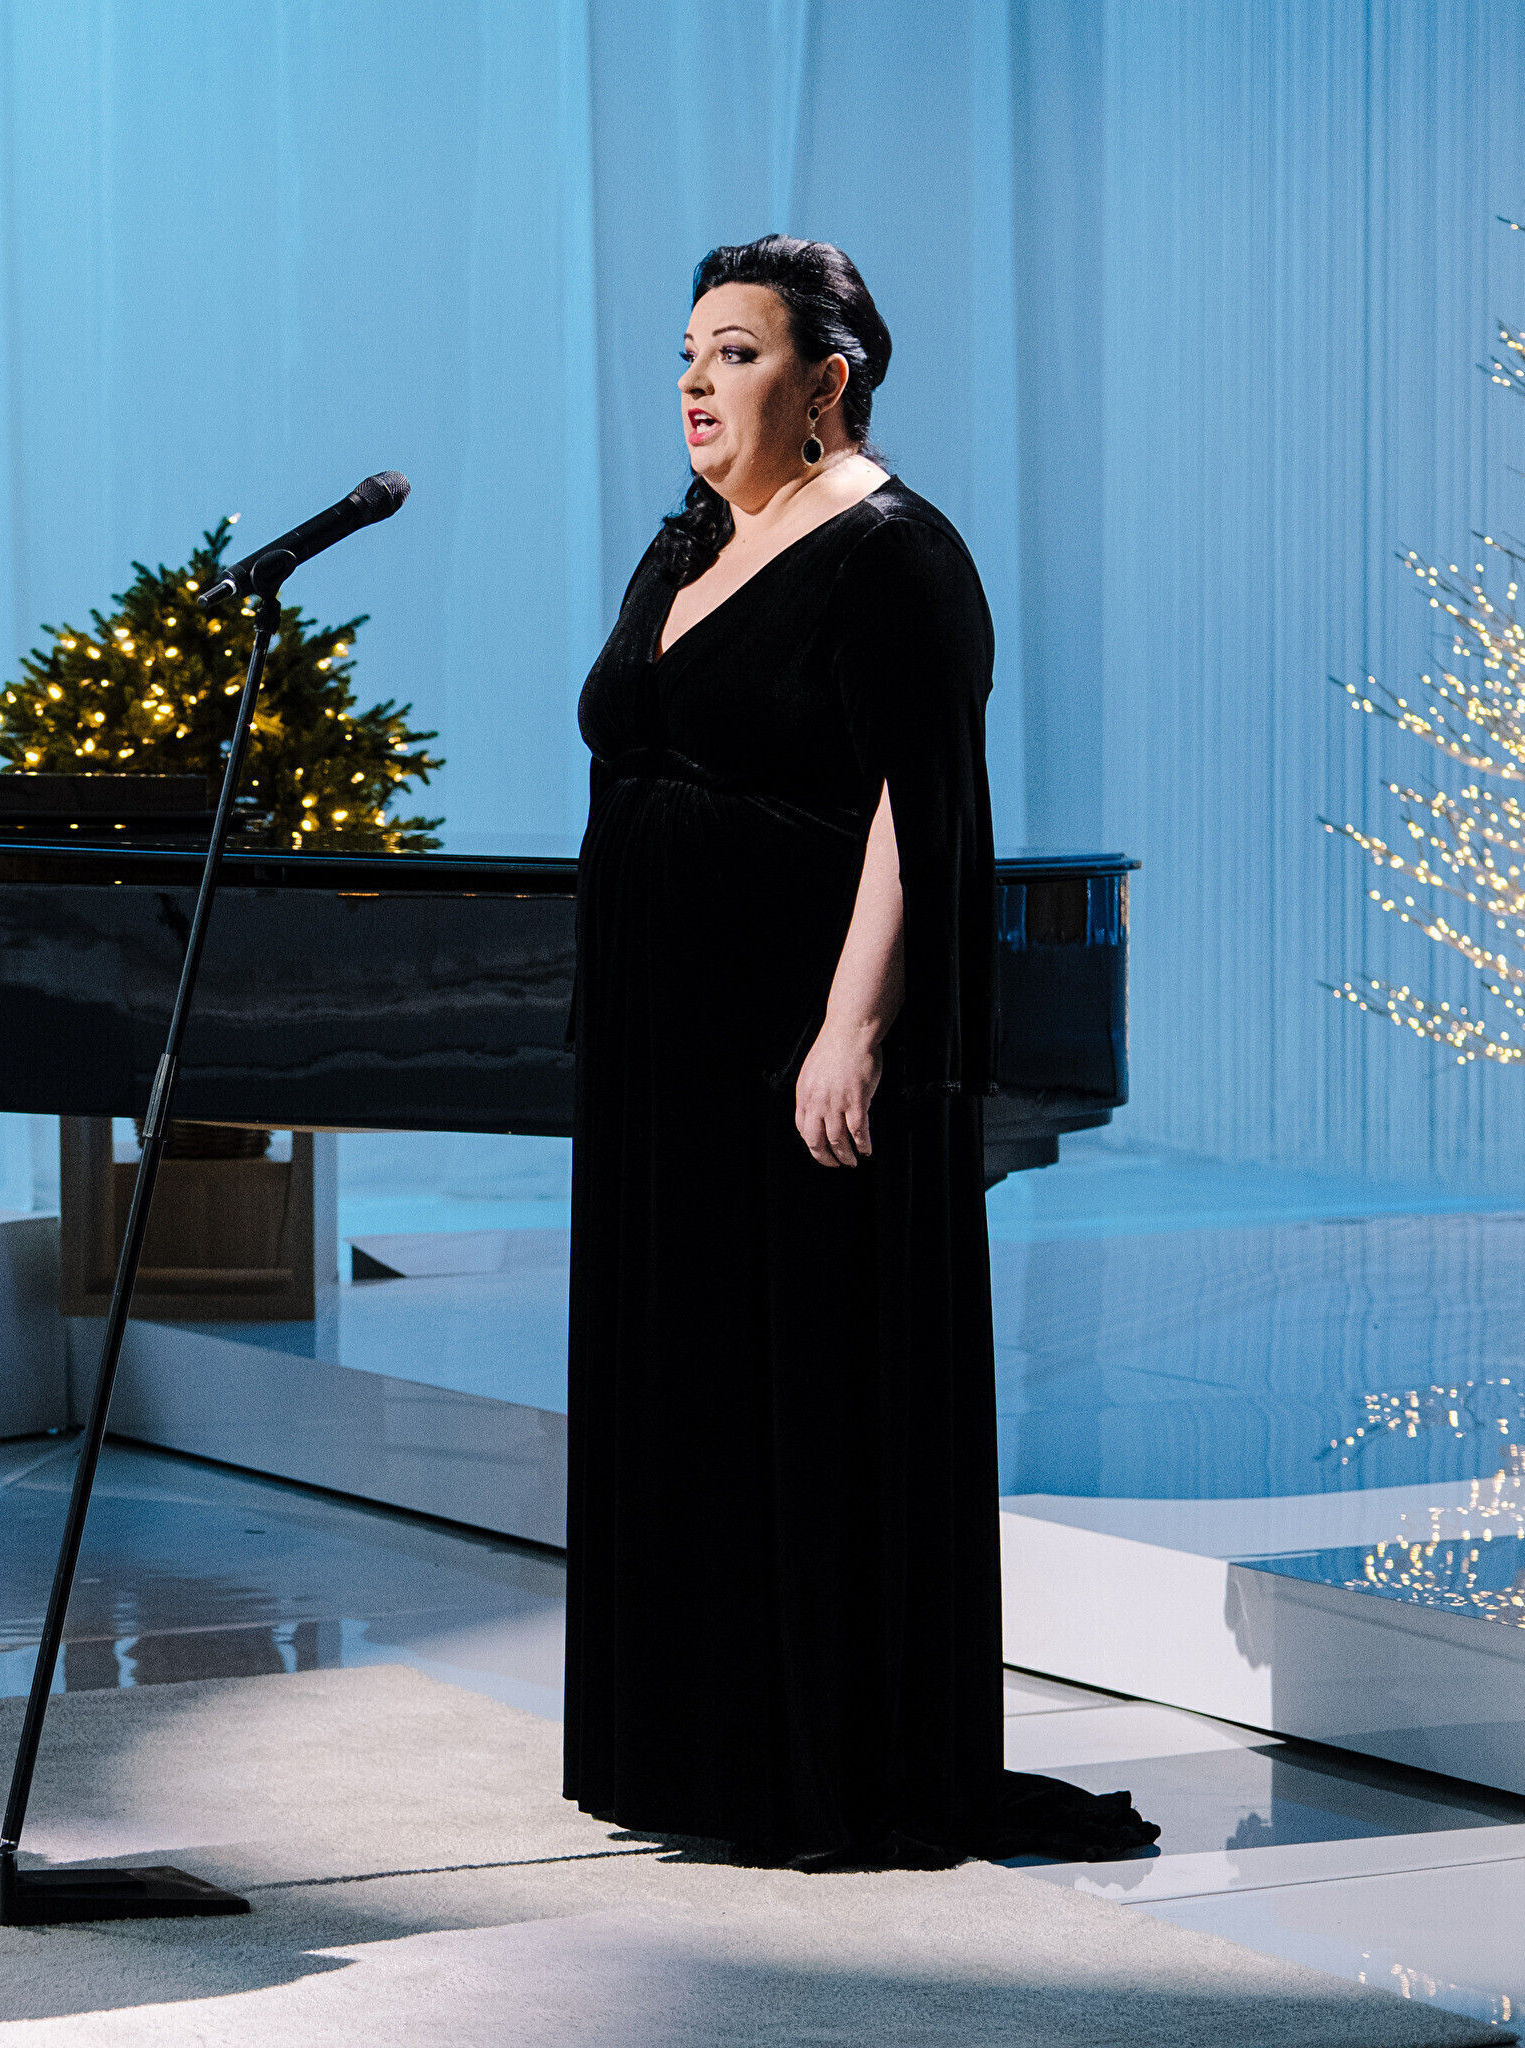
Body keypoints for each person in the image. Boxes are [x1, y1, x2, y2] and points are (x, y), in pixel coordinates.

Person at [565, 237, 1154, 1868]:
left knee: (803, 1385)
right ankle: (690, 1754)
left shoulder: (895, 552)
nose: (696, 382)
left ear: (827, 380)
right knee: (685, 1381)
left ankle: (822, 1761)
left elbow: (919, 805)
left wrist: (850, 1027)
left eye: (737, 352)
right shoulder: (685, 545)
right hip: (664, 1043)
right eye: (688, 352)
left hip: (793, 1026)